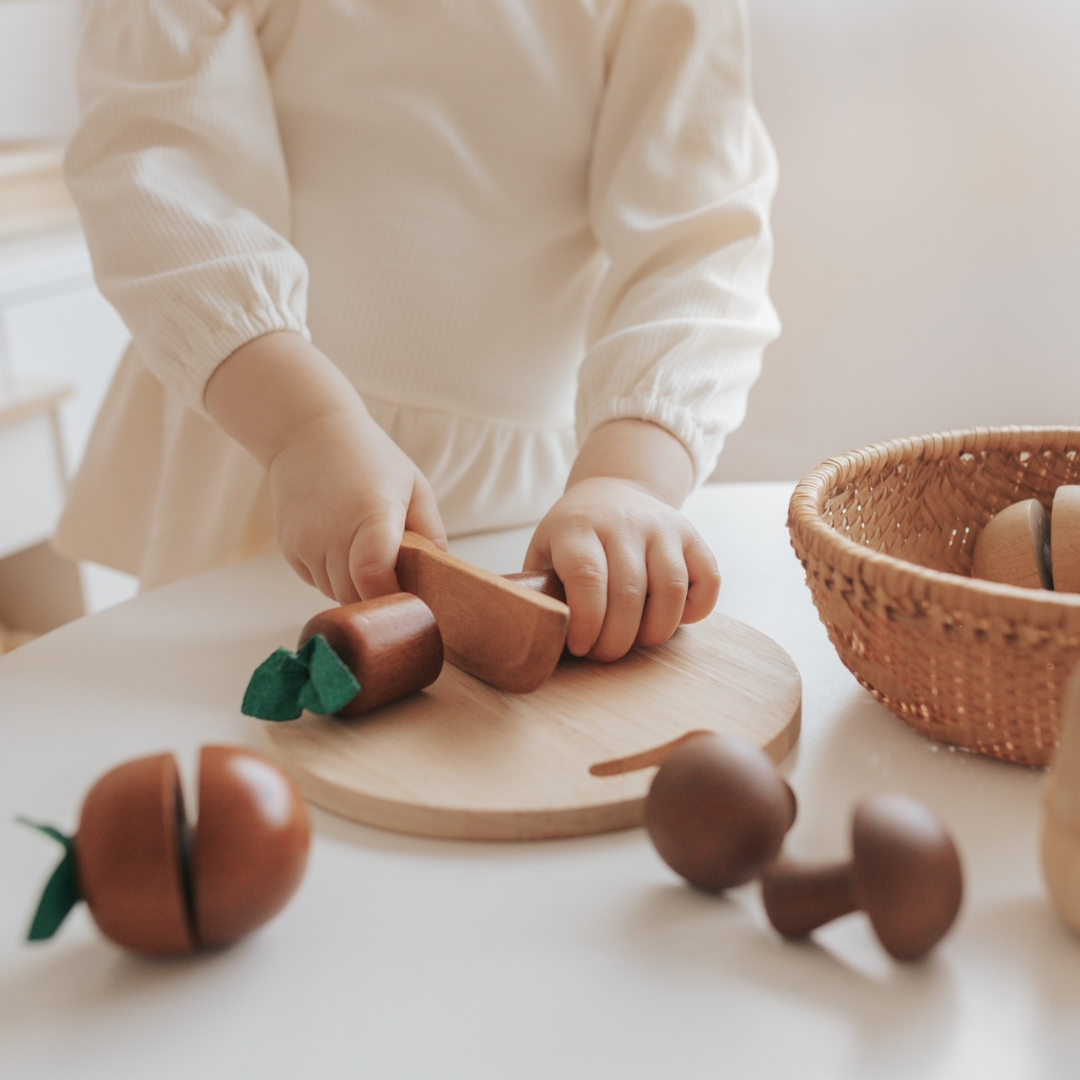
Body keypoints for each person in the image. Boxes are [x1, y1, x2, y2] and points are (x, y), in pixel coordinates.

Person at [56, 0, 779, 662]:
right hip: (268, 450)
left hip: (540, 511)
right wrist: (306, 429)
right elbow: (160, 182)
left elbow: (699, 243)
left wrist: (630, 478)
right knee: (224, 728)